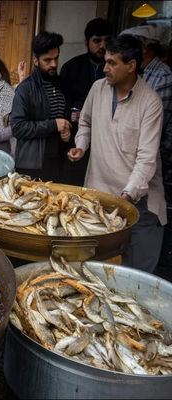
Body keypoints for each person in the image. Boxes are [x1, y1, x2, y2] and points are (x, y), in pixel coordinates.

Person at [67, 35, 166, 273]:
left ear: (131, 66)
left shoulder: (151, 103)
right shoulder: (97, 88)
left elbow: (146, 159)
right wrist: (81, 144)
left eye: (112, 63)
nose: (105, 68)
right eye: (106, 61)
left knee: (137, 276)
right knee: (95, 271)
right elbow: (86, 123)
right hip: (98, 198)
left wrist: (126, 196)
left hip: (138, 203)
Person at [120, 25, 172, 206]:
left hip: (153, 160)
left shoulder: (163, 76)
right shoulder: (137, 73)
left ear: (144, 49)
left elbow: (152, 126)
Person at [10, 32, 71, 182]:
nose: (54, 64)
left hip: (57, 163)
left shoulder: (63, 85)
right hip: (32, 166)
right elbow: (17, 127)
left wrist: (66, 130)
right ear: (35, 61)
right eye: (47, 60)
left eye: (56, 58)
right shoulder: (25, 89)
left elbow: (65, 118)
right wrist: (53, 125)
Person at [60, 18, 113, 186]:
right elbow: (63, 104)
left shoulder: (116, 69)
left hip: (107, 140)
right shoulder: (71, 67)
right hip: (76, 137)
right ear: (86, 42)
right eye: (97, 41)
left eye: (106, 40)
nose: (102, 46)